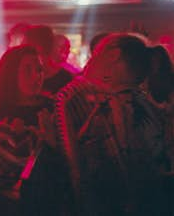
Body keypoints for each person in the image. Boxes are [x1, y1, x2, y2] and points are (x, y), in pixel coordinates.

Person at [56, 33, 170, 215]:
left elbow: (78, 172)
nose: (90, 61)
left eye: (97, 53)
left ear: (113, 55)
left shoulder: (81, 99)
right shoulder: (144, 103)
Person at [22, 25, 74, 96]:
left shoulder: (24, 80)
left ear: (37, 47)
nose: (22, 50)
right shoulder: (66, 77)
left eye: (24, 45)